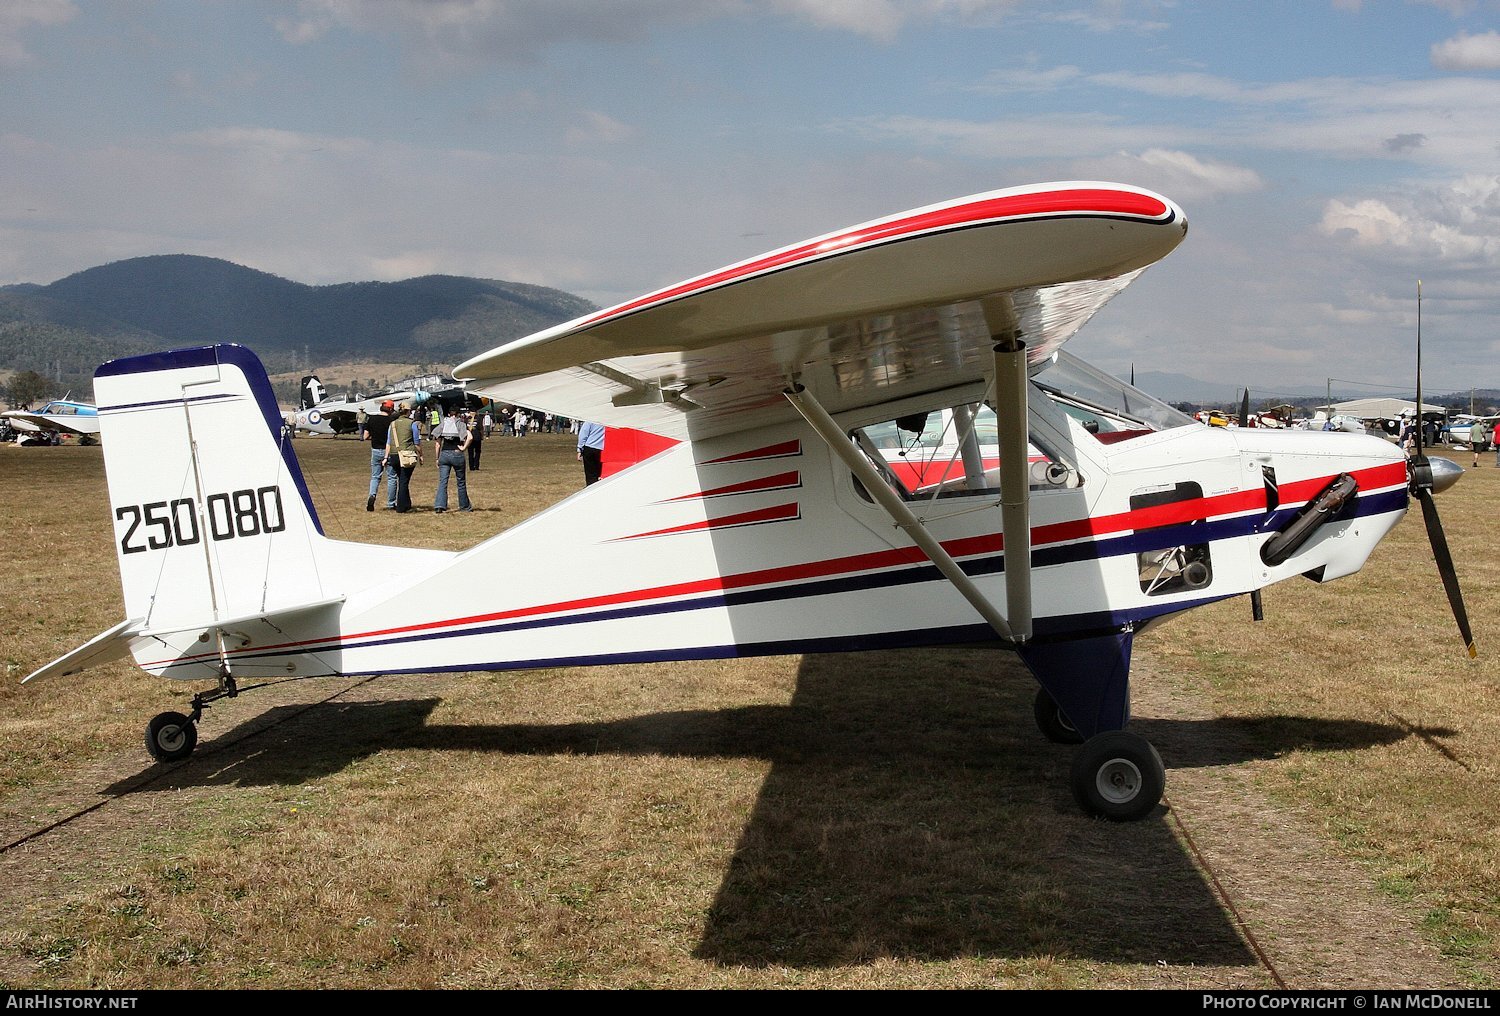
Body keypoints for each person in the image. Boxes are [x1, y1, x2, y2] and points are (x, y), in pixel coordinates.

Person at [432, 403, 473, 513]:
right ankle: (464, 506)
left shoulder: (443, 423)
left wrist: (437, 458)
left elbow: (437, 443)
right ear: (459, 414)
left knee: (443, 481)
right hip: (457, 453)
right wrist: (464, 447)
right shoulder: (461, 424)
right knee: (461, 482)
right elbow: (470, 437)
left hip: (444, 454)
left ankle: (439, 506)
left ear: (449, 414)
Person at [384, 402, 424, 513]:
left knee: (402, 479)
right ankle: (401, 507)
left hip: (394, 455)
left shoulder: (392, 424)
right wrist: (421, 455)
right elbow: (416, 442)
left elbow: (388, 441)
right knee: (404, 481)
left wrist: (386, 457)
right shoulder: (412, 424)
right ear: (407, 411)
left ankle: (407, 504)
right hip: (407, 454)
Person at [362, 400, 398, 511]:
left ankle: (372, 495)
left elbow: (365, 436)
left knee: (375, 476)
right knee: (392, 477)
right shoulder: (392, 421)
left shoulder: (372, 419)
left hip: (376, 450)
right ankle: (391, 503)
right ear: (391, 410)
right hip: (389, 451)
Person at [576, 420, 605, 486]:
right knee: (600, 474)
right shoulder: (609, 421)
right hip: (602, 449)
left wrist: (580, 448)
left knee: (590, 474)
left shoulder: (591, 420)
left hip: (590, 448)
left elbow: (583, 434)